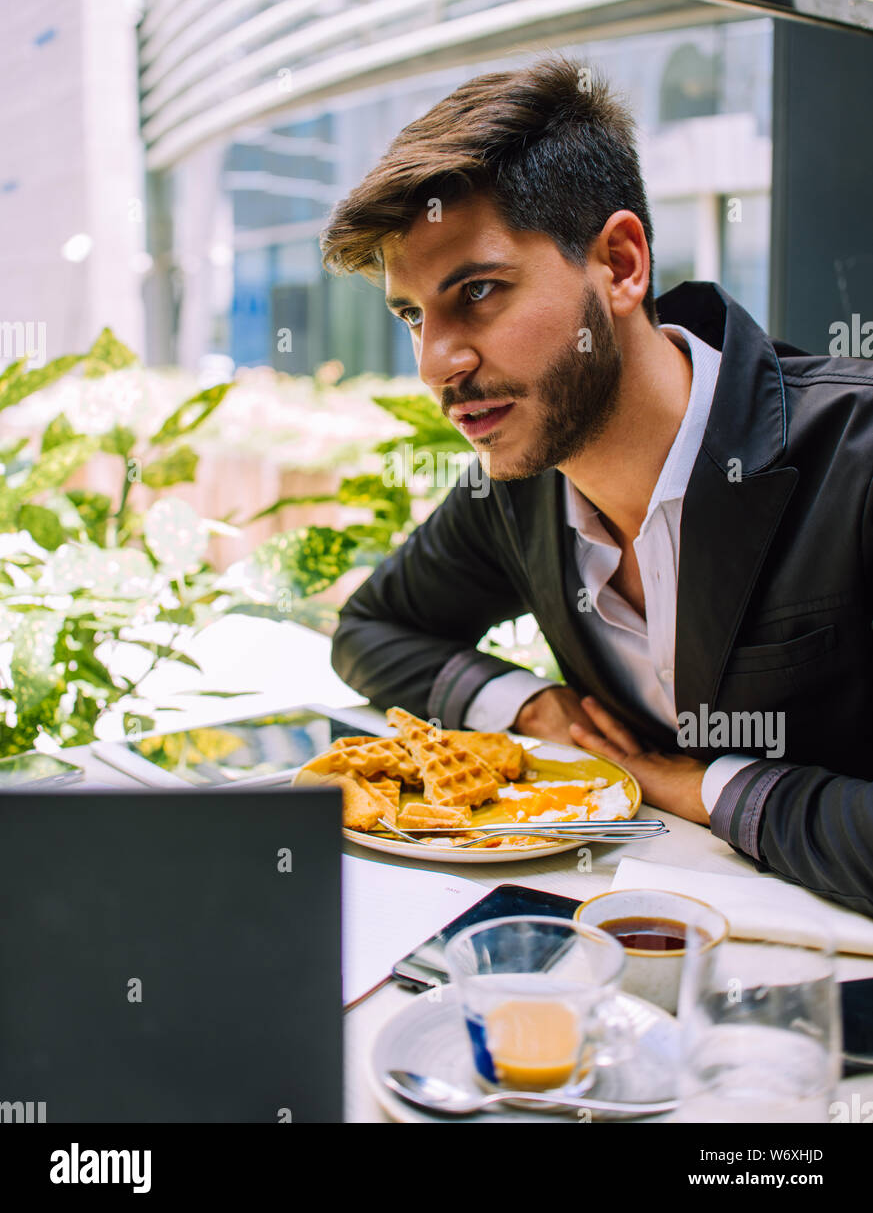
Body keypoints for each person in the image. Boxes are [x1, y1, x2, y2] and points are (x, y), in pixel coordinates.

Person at [320, 53, 873, 916]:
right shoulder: (519, 485)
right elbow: (373, 627)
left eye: (478, 291)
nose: (437, 361)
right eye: (412, 315)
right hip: (626, 952)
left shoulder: (855, 460)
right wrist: (540, 712)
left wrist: (696, 786)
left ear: (618, 263)